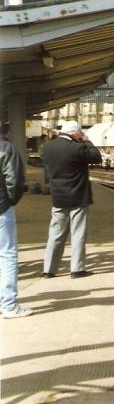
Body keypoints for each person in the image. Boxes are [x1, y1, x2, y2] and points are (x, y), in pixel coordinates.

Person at [41, 121, 102, 278]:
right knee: (78, 233)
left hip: (58, 197)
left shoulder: (48, 147)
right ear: (75, 133)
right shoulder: (78, 148)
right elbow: (96, 157)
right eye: (80, 132)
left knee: (55, 234)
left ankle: (48, 269)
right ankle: (77, 269)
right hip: (78, 197)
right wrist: (87, 141)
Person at [0, 122, 31, 318]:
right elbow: (15, 181)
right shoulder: (6, 148)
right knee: (7, 255)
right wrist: (10, 202)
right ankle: (9, 305)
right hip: (1, 209)